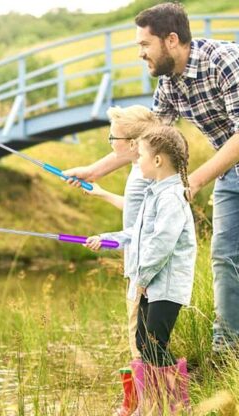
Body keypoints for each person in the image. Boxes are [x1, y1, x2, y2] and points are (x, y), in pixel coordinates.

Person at [65, 2, 239, 354]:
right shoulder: (169, 84)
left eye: (145, 45)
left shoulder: (224, 63)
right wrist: (93, 171)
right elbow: (146, 143)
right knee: (224, 257)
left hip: (222, 167)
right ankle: (229, 347)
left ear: (171, 40)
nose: (141, 54)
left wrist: (197, 180)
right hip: (231, 173)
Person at [86, 125, 196, 414]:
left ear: (158, 160)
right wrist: (107, 239)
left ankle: (176, 404)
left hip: (164, 286)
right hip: (150, 284)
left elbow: (161, 243)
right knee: (143, 342)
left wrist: (143, 279)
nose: (138, 161)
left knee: (155, 343)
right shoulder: (154, 194)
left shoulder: (171, 197)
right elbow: (138, 233)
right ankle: (159, 403)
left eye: (141, 155)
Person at [83, 105, 159, 415]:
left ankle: (144, 405)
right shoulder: (139, 171)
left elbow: (140, 228)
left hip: (141, 269)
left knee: (137, 336)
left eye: (112, 136)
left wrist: (108, 240)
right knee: (141, 334)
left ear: (129, 143)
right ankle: (141, 401)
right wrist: (101, 193)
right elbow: (137, 210)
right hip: (137, 267)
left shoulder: (142, 175)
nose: (109, 140)